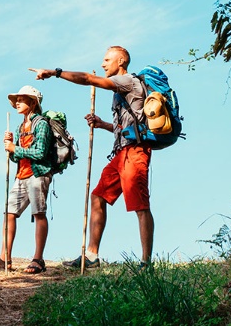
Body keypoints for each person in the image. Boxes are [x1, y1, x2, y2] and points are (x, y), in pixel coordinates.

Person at [29, 46, 154, 269]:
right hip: (122, 153)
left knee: (140, 205)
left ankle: (146, 262)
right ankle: (93, 255)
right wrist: (103, 124)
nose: (104, 63)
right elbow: (126, 126)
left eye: (108, 59)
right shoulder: (121, 89)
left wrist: (55, 72)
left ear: (122, 60)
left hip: (135, 153)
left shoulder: (127, 81)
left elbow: (88, 79)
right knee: (98, 197)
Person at [0, 85, 53, 274]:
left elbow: (40, 152)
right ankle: (5, 258)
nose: (18, 103)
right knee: (9, 213)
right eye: (18, 100)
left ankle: (38, 259)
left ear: (32, 102)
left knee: (39, 213)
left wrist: (15, 148)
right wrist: (10, 147)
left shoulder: (42, 124)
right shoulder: (20, 127)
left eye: (22, 99)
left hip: (38, 174)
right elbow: (16, 157)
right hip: (21, 175)